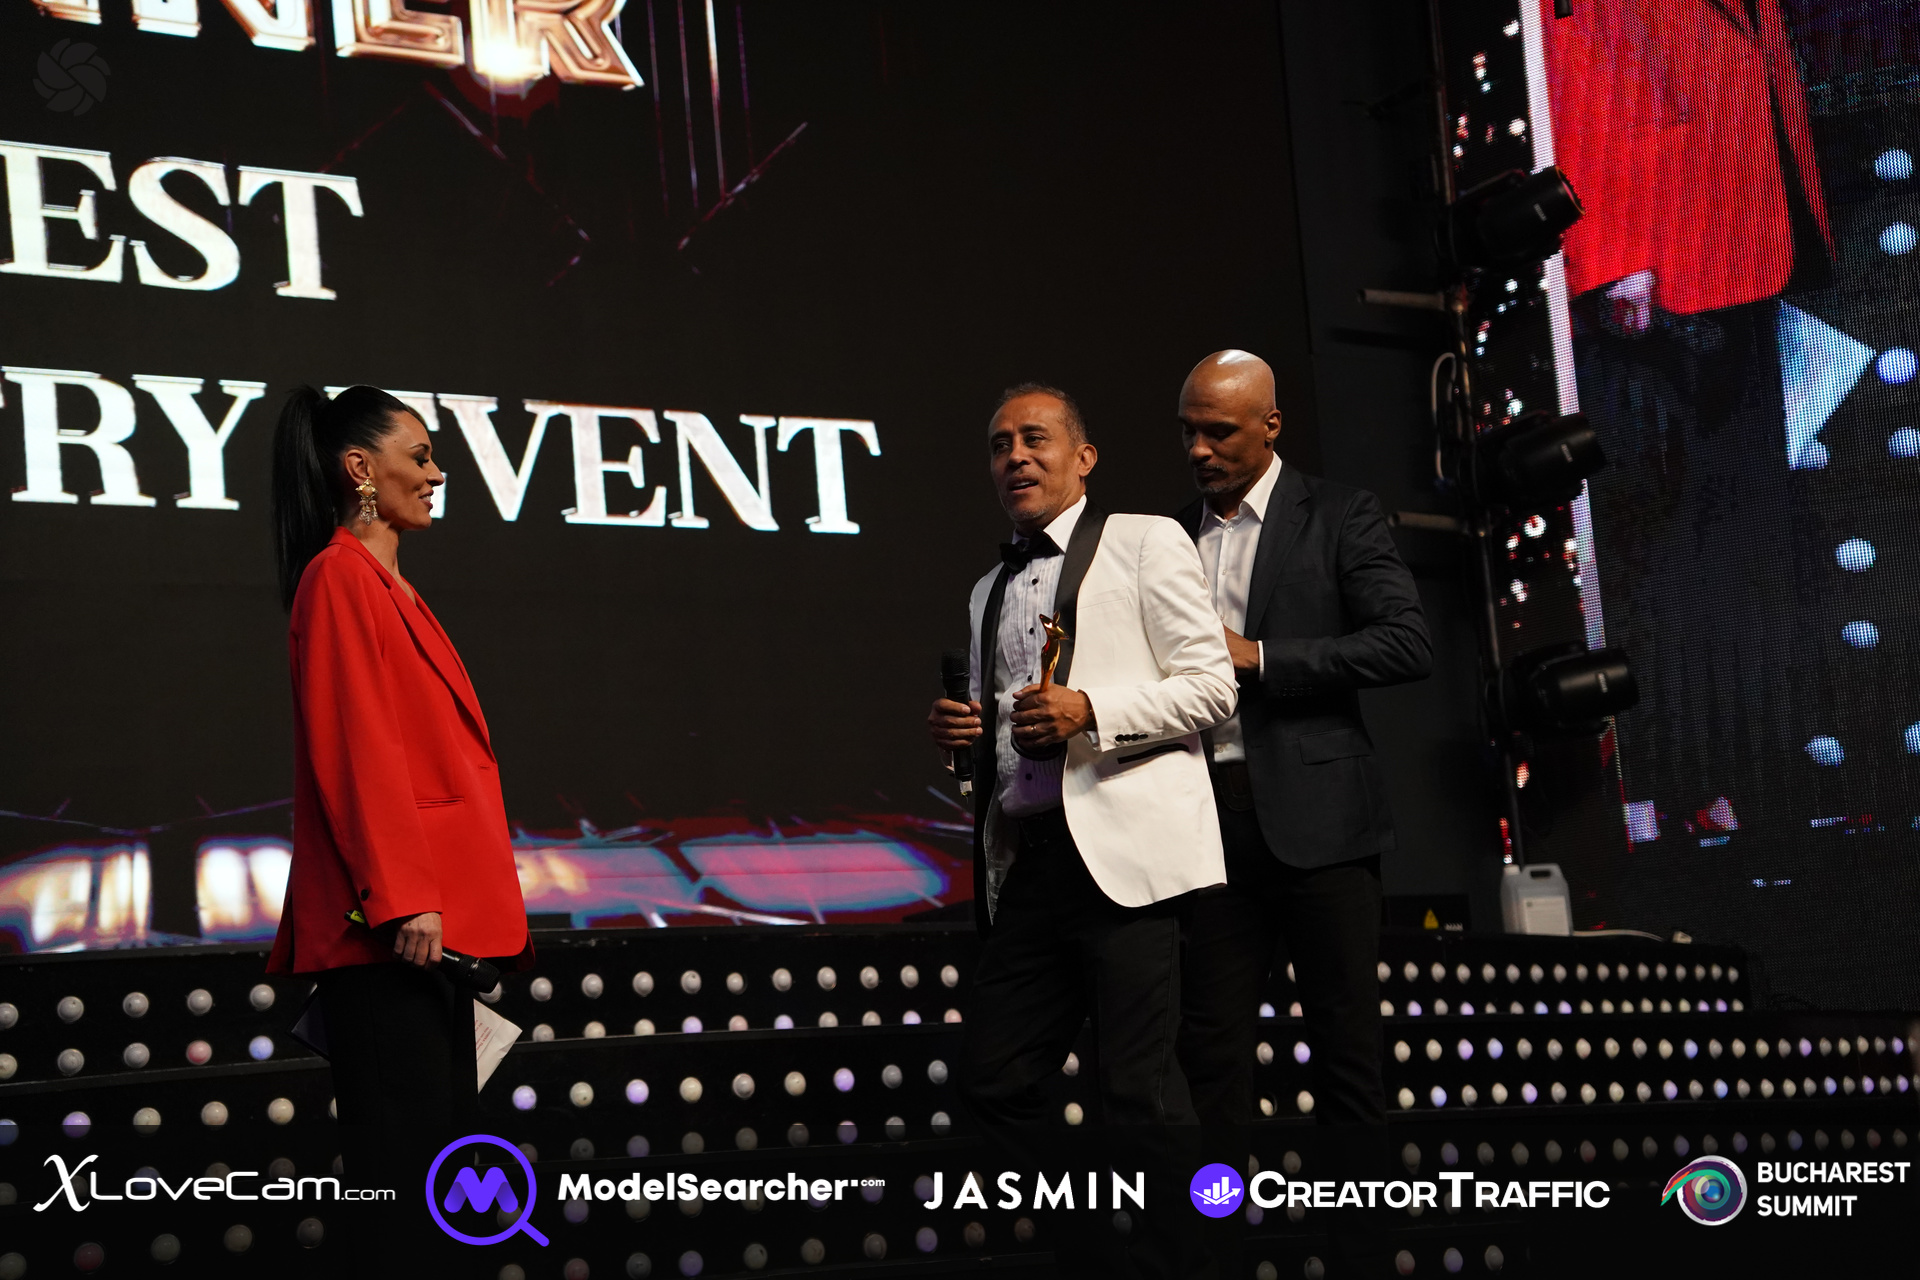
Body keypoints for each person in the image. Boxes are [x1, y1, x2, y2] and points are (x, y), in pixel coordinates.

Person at [926, 383, 1236, 1278]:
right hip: (1031, 864)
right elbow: (1009, 735)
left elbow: (1212, 687)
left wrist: (1092, 708)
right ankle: (1102, 1252)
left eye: (1035, 439)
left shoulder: (1145, 540)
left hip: (1130, 860)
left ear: (1084, 457)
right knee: (994, 1081)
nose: (1015, 457)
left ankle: (1190, 1265)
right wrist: (967, 738)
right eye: (1000, 446)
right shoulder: (987, 588)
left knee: (1139, 1093)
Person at [1172, 351, 1431, 1279]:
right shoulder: (1167, 537)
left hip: (1323, 827)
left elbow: (1406, 642)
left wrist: (1263, 658)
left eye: (1219, 431)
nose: (1198, 450)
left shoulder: (1340, 513)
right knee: (1212, 1071)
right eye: (1188, 431)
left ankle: (1361, 1259)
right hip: (1207, 836)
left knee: (1347, 1063)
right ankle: (1213, 1255)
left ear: (1271, 425)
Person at [266, 384, 529, 1175]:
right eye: (420, 456)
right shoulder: (339, 577)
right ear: (360, 469)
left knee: (443, 1170)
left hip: (430, 930)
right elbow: (358, 752)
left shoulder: (387, 585)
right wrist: (405, 895)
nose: (437, 473)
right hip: (395, 931)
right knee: (406, 1181)